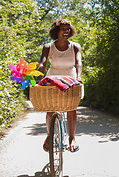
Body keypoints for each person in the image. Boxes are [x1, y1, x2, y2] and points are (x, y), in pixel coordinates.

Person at [38, 19, 82, 152]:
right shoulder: (48, 47)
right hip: (53, 78)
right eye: (63, 29)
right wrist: (39, 77)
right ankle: (50, 135)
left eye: (68, 29)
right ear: (56, 31)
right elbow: (43, 63)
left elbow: (78, 62)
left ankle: (72, 138)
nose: (66, 31)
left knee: (71, 107)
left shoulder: (75, 46)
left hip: (70, 78)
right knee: (50, 108)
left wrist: (79, 77)